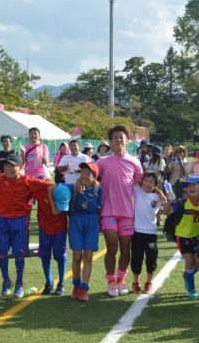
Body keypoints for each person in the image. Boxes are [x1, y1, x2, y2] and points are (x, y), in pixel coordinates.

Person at [0, 153, 52, 298]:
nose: (8, 169)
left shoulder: (28, 181)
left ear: (21, 167)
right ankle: (6, 281)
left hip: (20, 221)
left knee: (18, 253)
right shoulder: (0, 178)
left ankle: (19, 283)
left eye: (12, 166)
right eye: (6, 165)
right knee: (2, 252)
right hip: (3, 220)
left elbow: (49, 184)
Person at [98, 125, 144, 295]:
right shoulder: (102, 162)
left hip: (127, 213)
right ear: (110, 142)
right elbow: (89, 176)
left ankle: (121, 279)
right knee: (112, 249)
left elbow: (142, 184)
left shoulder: (135, 162)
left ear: (127, 140)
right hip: (108, 212)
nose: (118, 140)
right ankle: (111, 281)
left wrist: (159, 192)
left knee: (125, 250)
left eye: (121, 137)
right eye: (115, 137)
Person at [168, 175, 199, 298]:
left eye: (194, 185)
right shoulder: (182, 202)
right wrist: (169, 199)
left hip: (196, 236)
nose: (191, 187)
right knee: (189, 261)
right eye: (188, 185)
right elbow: (167, 211)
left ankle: (187, 275)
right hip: (182, 236)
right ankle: (192, 289)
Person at [130, 172, 170, 295]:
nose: (147, 183)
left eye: (151, 182)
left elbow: (167, 210)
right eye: (146, 180)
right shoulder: (137, 191)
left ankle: (149, 283)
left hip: (151, 233)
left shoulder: (157, 197)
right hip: (137, 232)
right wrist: (159, 191)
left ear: (155, 185)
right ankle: (136, 282)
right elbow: (133, 179)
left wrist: (164, 194)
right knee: (136, 259)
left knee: (151, 259)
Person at [69, 162, 102, 301]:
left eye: (88, 173)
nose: (84, 175)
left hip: (91, 222)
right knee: (77, 255)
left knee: (88, 255)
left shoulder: (99, 189)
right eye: (82, 172)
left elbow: (101, 207)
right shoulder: (73, 187)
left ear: (94, 176)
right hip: (76, 221)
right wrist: (76, 185)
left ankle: (84, 288)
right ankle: (76, 285)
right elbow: (56, 188)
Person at [33, 174, 68, 296]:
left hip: (59, 230)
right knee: (44, 256)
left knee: (61, 257)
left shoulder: (61, 191)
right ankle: (49, 282)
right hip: (44, 230)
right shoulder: (38, 192)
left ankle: (61, 283)